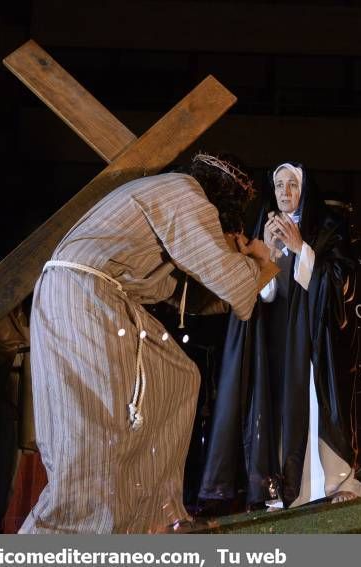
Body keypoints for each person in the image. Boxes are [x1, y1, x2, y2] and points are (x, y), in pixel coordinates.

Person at [20, 153, 271, 534]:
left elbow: (190, 296)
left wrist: (237, 263)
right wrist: (261, 264)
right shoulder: (184, 192)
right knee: (93, 433)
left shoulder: (167, 194)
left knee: (179, 377)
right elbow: (232, 283)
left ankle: (160, 514)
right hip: (88, 297)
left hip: (87, 295)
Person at [200, 162, 361, 510]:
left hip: (309, 340)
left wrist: (302, 248)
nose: (285, 192)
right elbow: (264, 295)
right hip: (274, 339)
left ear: (304, 189)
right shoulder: (265, 227)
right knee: (273, 406)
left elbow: (342, 284)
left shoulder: (328, 227)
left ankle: (329, 482)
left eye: (292, 184)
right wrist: (269, 256)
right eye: (278, 185)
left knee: (311, 403)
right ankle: (277, 487)